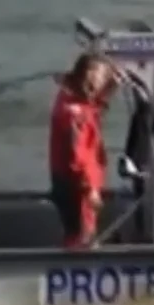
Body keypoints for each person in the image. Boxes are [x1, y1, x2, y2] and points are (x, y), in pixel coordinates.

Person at [48, 52, 117, 250]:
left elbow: (92, 107)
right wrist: (90, 188)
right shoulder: (74, 112)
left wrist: (110, 89)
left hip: (72, 182)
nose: (104, 81)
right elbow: (77, 154)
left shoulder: (71, 99)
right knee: (81, 238)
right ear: (90, 75)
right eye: (102, 76)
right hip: (77, 185)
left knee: (79, 234)